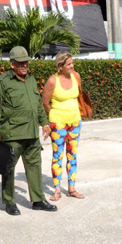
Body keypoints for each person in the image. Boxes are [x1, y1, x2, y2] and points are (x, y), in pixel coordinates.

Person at [0, 46, 57, 215]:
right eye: (21, 63)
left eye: (26, 62)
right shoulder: (2, 82)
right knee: (9, 168)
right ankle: (9, 202)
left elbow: (37, 104)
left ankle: (37, 199)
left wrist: (45, 123)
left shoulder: (31, 79)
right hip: (12, 133)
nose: (24, 66)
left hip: (32, 134)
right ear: (12, 64)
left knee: (35, 166)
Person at [42, 51, 85, 201]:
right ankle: (57, 189)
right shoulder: (53, 81)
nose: (72, 66)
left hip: (75, 122)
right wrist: (54, 117)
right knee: (57, 156)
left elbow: (79, 96)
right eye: (69, 64)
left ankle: (72, 188)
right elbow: (45, 102)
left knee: (72, 155)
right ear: (60, 66)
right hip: (58, 123)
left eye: (72, 63)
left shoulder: (76, 76)